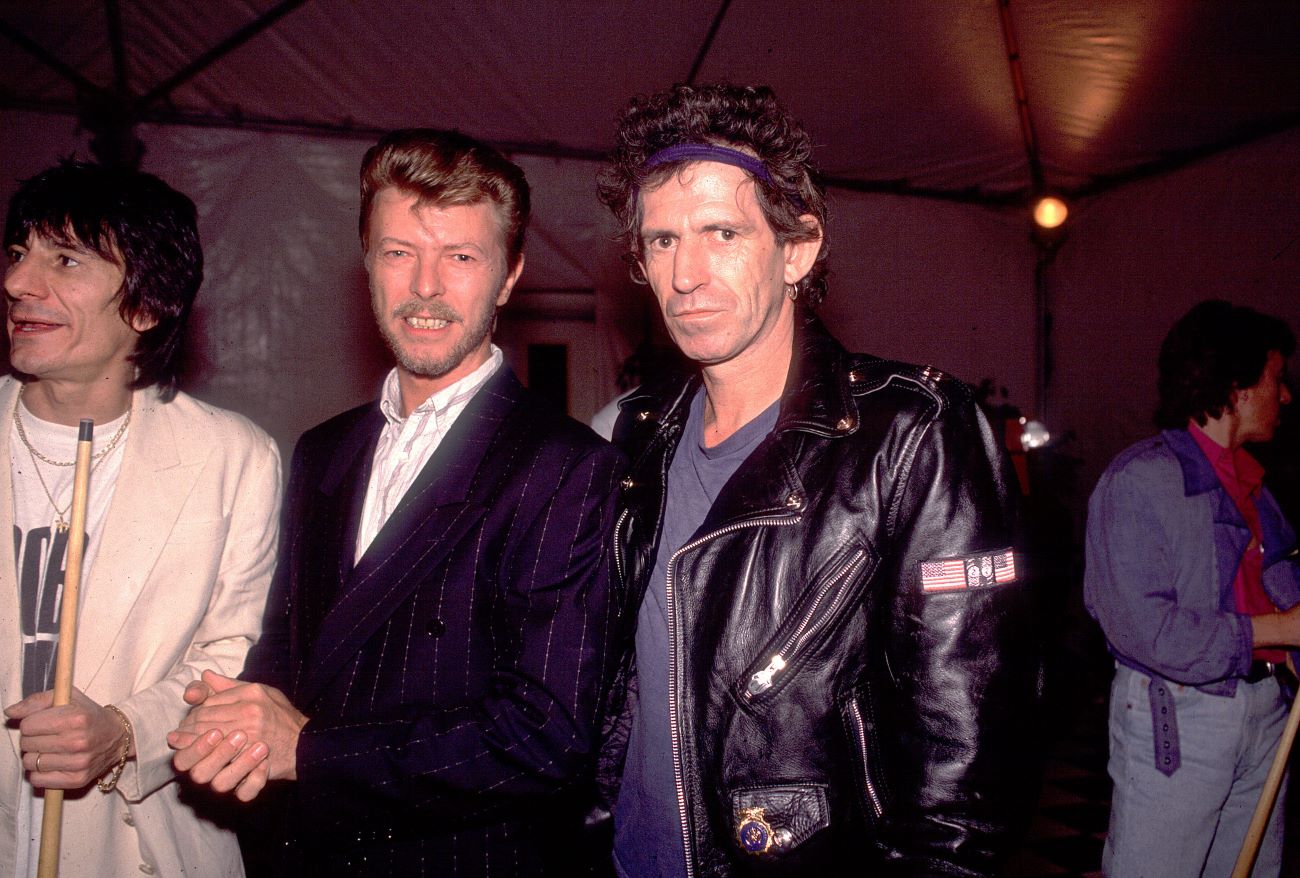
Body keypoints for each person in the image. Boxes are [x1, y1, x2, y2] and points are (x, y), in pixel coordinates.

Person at [593, 84, 1041, 876]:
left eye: (720, 232)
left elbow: (968, 766)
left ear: (797, 249)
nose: (684, 274)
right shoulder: (637, 440)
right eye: (660, 242)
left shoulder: (911, 435)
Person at [169, 129, 626, 875]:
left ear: (509, 276)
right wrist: (236, 720)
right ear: (367, 265)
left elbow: (547, 738)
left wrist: (310, 753)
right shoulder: (325, 449)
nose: (425, 288)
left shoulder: (566, 466)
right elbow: (294, 646)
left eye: (461, 257)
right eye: (398, 253)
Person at [0, 160, 281, 876]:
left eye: (64, 259)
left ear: (147, 306)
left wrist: (125, 732)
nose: (17, 283)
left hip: (141, 846)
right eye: (17, 252)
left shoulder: (232, 457)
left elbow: (232, 656)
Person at [1085, 299, 1299, 877]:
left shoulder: (1257, 488)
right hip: (1178, 719)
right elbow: (1144, 629)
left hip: (1264, 710)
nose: (1285, 397)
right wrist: (1282, 628)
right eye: (1277, 379)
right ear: (1236, 384)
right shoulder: (1140, 480)